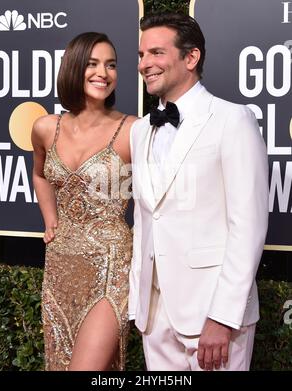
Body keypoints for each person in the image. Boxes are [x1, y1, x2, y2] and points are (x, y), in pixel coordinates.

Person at [128, 12, 269, 371]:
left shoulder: (232, 120)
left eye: (157, 53)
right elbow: (146, 221)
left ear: (191, 58)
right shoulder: (141, 130)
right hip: (155, 317)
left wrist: (223, 316)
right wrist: (137, 305)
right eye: (142, 55)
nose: (145, 64)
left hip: (213, 315)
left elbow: (248, 227)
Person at [32, 32, 136, 371]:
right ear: (74, 69)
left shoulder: (132, 130)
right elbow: (40, 174)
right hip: (61, 265)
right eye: (92, 64)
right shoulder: (46, 128)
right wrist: (51, 220)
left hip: (112, 265)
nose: (103, 73)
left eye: (111, 65)